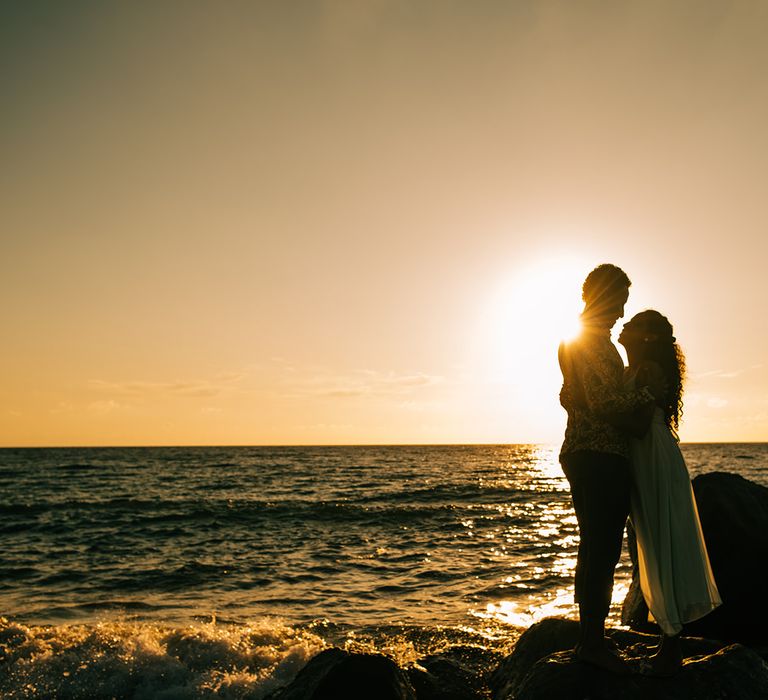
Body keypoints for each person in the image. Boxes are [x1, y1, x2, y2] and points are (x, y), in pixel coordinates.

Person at [558, 264, 662, 673]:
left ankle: (590, 639)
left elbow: (569, 395)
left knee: (593, 548)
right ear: (603, 295)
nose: (621, 312)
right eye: (619, 301)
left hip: (580, 450)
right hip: (600, 454)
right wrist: (649, 395)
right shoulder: (594, 344)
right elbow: (602, 402)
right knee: (601, 550)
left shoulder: (571, 340)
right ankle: (591, 644)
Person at [617, 310, 721, 676]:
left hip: (653, 458)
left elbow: (641, 425)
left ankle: (671, 644)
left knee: (661, 542)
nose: (624, 326)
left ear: (647, 338)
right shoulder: (633, 370)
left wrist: (595, 410)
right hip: (646, 458)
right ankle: (668, 639)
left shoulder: (647, 370)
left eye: (633, 324)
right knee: (651, 541)